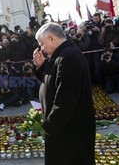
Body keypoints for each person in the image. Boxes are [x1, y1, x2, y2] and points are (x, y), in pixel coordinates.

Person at [32, 23, 95, 165]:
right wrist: (41, 67)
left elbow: (65, 100)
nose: (42, 48)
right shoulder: (61, 54)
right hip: (64, 129)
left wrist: (48, 126)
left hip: (69, 132)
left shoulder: (68, 57)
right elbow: (51, 81)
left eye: (42, 43)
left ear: (52, 38)